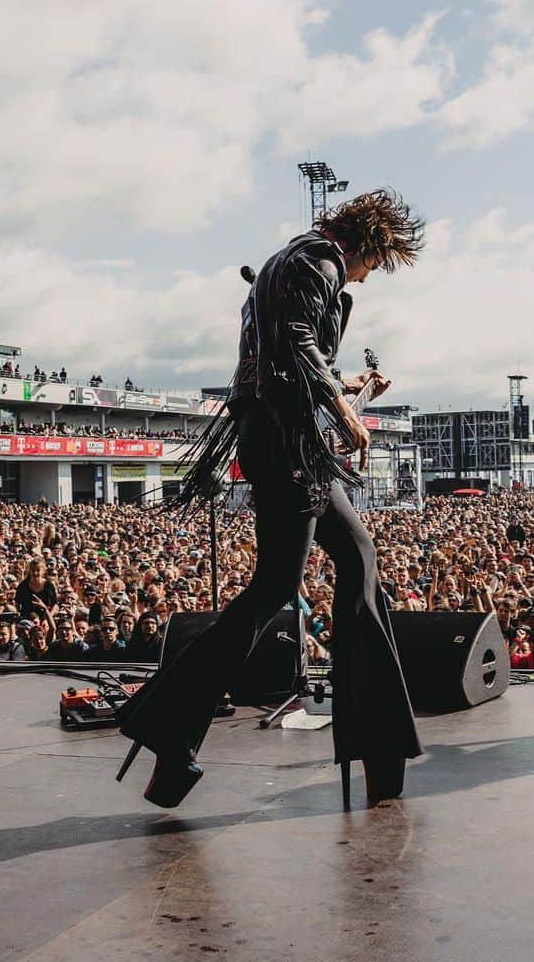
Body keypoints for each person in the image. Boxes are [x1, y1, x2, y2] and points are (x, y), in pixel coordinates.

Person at [117, 188, 426, 809]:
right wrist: (343, 409)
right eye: (376, 264)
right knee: (279, 586)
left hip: (288, 441)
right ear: (369, 243)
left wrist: (351, 387)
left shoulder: (292, 262)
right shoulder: (319, 262)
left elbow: (290, 360)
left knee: (350, 563)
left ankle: (174, 731)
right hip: (289, 447)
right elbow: (294, 342)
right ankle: (168, 721)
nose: (369, 277)